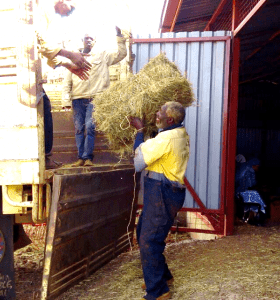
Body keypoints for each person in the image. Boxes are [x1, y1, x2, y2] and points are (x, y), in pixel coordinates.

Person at [129, 101, 190, 300]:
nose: (157, 114)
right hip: (165, 192)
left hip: (162, 193)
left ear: (170, 119)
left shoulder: (167, 138)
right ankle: (162, 276)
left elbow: (138, 161)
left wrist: (139, 131)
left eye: (160, 113)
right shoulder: (179, 133)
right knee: (143, 233)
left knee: (149, 240)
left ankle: (158, 292)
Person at [35, 0, 93, 169]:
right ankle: (45, 158)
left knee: (45, 106)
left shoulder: (47, 15)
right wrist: (69, 55)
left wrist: (68, 65)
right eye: (70, 8)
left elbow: (46, 51)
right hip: (28, 75)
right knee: (45, 106)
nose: (69, 13)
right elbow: (40, 43)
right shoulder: (41, 10)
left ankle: (46, 157)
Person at [62, 28, 127, 166]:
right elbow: (67, 81)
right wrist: (66, 100)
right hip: (77, 98)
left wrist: (119, 37)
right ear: (82, 40)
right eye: (87, 38)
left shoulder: (102, 55)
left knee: (90, 126)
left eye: (91, 38)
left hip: (96, 98)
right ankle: (80, 158)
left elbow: (122, 54)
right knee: (79, 128)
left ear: (95, 41)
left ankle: (88, 158)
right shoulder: (74, 57)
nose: (89, 40)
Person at [235, 157, 266, 224]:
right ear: (254, 165)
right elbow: (251, 184)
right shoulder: (249, 172)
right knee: (259, 200)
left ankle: (248, 217)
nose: (258, 168)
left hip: (239, 192)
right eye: (257, 167)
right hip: (242, 192)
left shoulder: (244, 169)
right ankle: (254, 219)